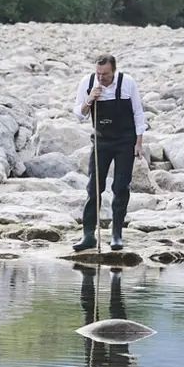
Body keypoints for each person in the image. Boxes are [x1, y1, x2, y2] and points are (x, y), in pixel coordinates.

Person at [72, 54, 148, 251]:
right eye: (98, 73)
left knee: (121, 187)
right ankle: (88, 235)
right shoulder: (88, 82)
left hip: (125, 140)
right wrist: (90, 99)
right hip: (101, 140)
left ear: (113, 70)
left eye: (105, 74)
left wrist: (138, 142)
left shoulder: (127, 82)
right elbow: (79, 115)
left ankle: (116, 234)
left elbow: (138, 113)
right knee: (94, 187)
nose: (101, 78)